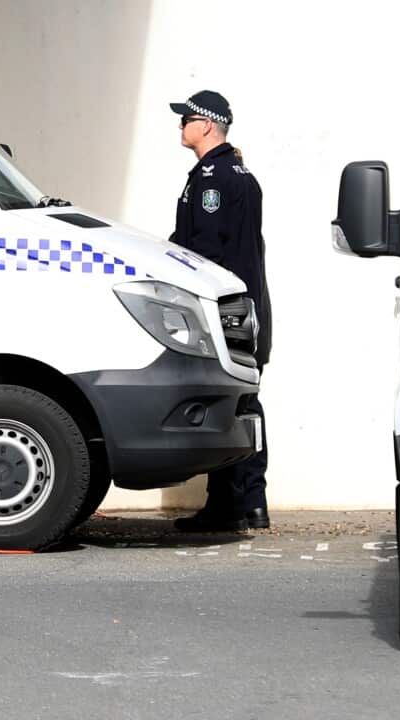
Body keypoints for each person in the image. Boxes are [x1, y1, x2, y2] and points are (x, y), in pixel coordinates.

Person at [166, 90, 273, 533]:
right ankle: (246, 503)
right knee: (242, 401)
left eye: (186, 119)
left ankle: (235, 504)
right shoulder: (239, 174)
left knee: (228, 402)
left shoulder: (212, 179)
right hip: (247, 307)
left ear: (207, 124)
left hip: (223, 310)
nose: (180, 126)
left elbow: (205, 253)